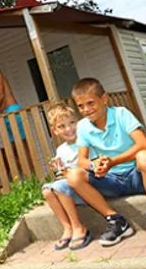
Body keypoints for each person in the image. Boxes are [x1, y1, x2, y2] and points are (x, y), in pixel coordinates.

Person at [66, 77, 146, 246]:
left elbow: (143, 144)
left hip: (137, 176)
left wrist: (113, 161)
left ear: (104, 98)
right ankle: (116, 220)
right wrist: (95, 165)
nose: (86, 109)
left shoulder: (121, 114)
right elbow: (81, 160)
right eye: (80, 106)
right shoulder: (83, 127)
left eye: (90, 103)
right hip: (111, 181)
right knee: (73, 176)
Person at [42, 103, 92, 251]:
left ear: (78, 122)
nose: (69, 129)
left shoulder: (86, 142)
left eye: (72, 123)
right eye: (62, 126)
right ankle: (67, 228)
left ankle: (78, 227)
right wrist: (59, 170)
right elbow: (62, 174)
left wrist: (67, 173)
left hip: (87, 188)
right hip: (69, 190)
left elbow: (89, 167)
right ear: (55, 131)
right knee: (46, 190)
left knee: (59, 186)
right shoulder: (61, 150)